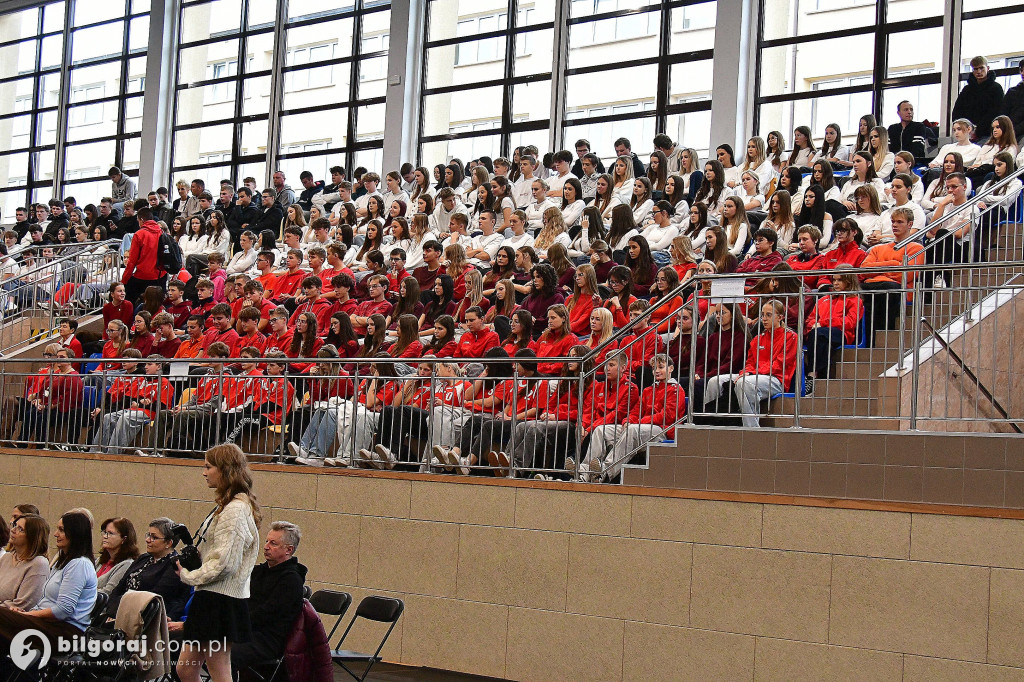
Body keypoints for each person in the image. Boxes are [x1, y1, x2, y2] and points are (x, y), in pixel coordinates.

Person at [176, 443, 261, 682]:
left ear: (225, 470)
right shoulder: (228, 506)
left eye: (208, 467)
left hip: (221, 601)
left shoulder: (235, 510)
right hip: (211, 597)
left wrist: (188, 576)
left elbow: (225, 564)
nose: (204, 472)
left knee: (219, 671)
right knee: (186, 669)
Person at [0, 511, 97, 651]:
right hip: (48, 624)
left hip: (65, 633)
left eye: (61, 530)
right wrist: (22, 613)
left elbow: (63, 610)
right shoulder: (63, 562)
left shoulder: (79, 564)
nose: (56, 534)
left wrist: (27, 615)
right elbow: (46, 601)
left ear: (75, 533)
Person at [703, 299, 799, 428]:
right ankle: (712, 424)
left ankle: (751, 428)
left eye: (768, 315)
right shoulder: (757, 339)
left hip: (777, 378)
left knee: (744, 383)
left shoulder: (791, 337)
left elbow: (779, 365)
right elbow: (749, 362)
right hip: (755, 375)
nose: (764, 319)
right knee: (715, 381)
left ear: (780, 317)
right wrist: (745, 372)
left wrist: (751, 373)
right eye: (762, 315)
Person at [230, 521, 306, 672]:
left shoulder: (291, 580)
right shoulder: (258, 572)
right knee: (185, 641)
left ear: (288, 550)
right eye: (266, 541)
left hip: (266, 640)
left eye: (273, 543)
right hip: (245, 631)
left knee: (220, 652)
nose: (266, 546)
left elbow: (266, 615)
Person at [105, 517, 191, 621]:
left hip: (146, 620)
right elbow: (119, 588)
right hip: (121, 614)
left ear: (169, 543)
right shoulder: (143, 558)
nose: (147, 540)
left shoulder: (175, 564)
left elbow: (153, 597)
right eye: (148, 535)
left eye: (153, 537)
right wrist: (112, 612)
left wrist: (120, 614)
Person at [803, 267, 863, 395]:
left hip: (842, 333)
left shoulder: (855, 300)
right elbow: (810, 320)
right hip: (820, 334)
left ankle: (811, 374)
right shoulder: (824, 299)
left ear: (849, 281)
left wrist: (823, 323)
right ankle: (822, 378)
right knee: (821, 339)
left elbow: (850, 322)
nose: (835, 283)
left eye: (840, 280)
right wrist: (815, 324)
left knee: (819, 334)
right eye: (834, 280)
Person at [0, 513, 50, 610]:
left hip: (16, 617)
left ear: (32, 537)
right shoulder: (7, 557)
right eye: (14, 525)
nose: (13, 530)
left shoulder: (38, 563)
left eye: (20, 529)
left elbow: (24, 604)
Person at [952, 56, 1004, 140]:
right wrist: (963, 128)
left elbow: (996, 112)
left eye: (981, 68)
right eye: (975, 69)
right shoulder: (967, 90)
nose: (979, 71)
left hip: (987, 133)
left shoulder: (996, 88)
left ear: (987, 68)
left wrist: (978, 130)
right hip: (967, 133)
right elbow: (957, 111)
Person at [121, 206, 167, 302]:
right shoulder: (162, 232)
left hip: (143, 276)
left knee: (127, 298)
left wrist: (124, 280)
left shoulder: (139, 234)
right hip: (161, 275)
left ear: (141, 220)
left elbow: (132, 261)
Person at [95, 517, 140, 596]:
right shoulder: (100, 560)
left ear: (124, 539)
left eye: (110, 533)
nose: (105, 536)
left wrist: (85, 592)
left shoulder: (127, 564)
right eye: (105, 532)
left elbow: (108, 592)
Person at [1003, 60, 1024, 141]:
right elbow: (1002, 114)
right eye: (1021, 70)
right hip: (1007, 131)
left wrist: (1012, 132)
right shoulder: (1012, 91)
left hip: (1019, 134)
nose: (1022, 73)